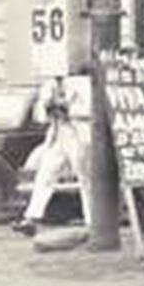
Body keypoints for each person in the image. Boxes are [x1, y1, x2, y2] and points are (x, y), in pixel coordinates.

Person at [12, 75, 92, 237]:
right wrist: (49, 107)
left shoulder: (83, 82)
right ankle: (32, 218)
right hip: (57, 133)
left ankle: (93, 221)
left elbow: (89, 109)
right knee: (45, 175)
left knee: (85, 178)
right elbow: (40, 116)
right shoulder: (49, 84)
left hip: (77, 133)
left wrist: (67, 108)